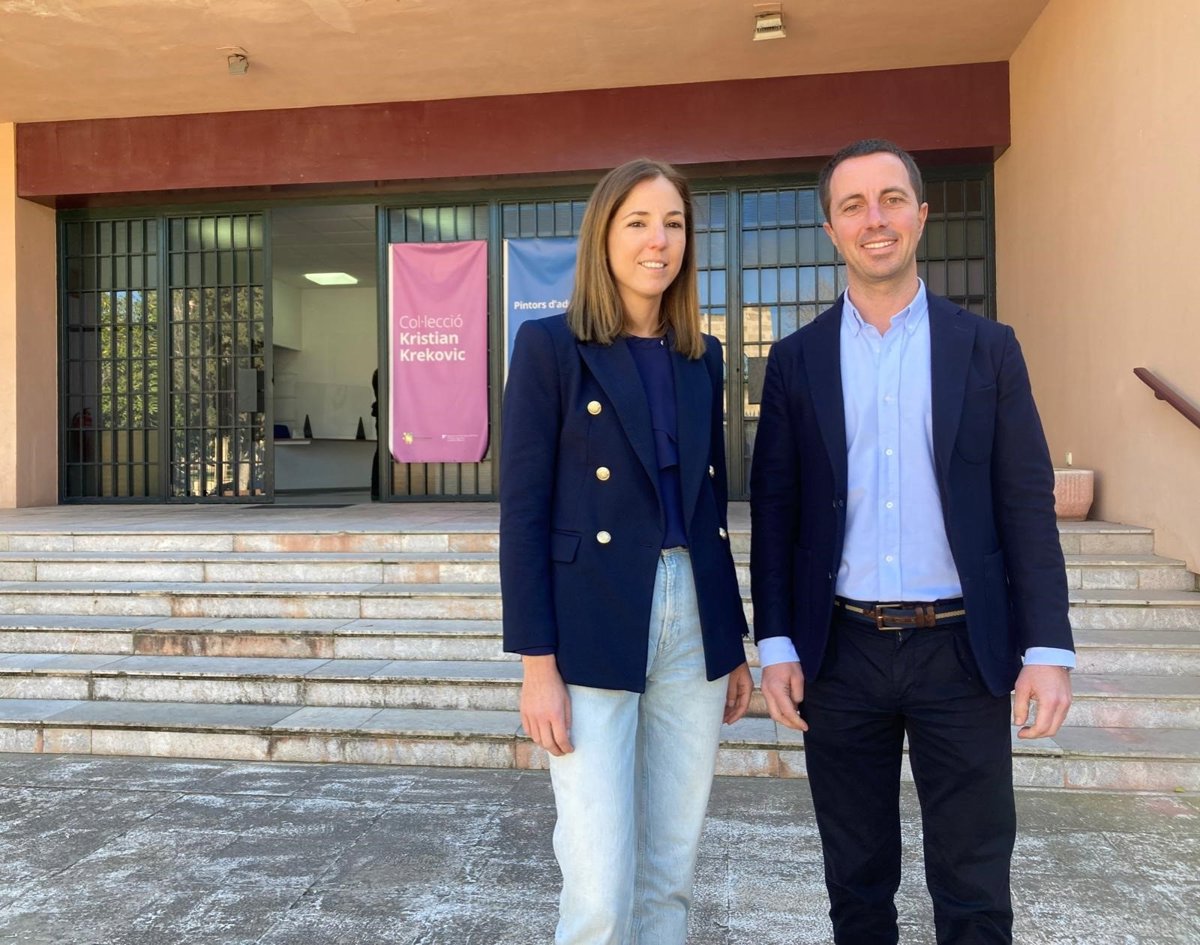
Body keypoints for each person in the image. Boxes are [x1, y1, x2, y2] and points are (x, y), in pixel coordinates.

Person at [749, 139, 1075, 945]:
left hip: (962, 650)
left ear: (921, 215)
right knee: (856, 883)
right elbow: (777, 512)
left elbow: (1025, 503)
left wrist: (1047, 648)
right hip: (840, 653)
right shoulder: (795, 361)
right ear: (831, 228)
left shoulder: (988, 349)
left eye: (892, 199)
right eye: (853, 205)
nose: (876, 219)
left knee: (975, 885)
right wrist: (777, 643)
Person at [500, 157, 753, 945]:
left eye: (673, 223)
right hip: (593, 616)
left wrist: (730, 641)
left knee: (669, 872)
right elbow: (524, 514)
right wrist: (536, 665)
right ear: (603, 237)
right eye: (638, 222)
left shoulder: (703, 356)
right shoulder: (550, 347)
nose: (658, 240)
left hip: (692, 617)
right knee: (600, 882)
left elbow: (707, 507)